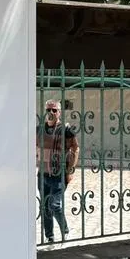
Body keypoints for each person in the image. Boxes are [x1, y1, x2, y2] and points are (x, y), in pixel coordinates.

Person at [36, 99, 79, 243]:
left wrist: (70, 170)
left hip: (58, 175)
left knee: (54, 205)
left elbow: (75, 148)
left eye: (54, 110)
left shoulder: (66, 130)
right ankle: (49, 236)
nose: (51, 112)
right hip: (42, 175)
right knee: (45, 207)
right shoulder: (38, 129)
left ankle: (65, 230)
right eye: (48, 110)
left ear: (59, 112)